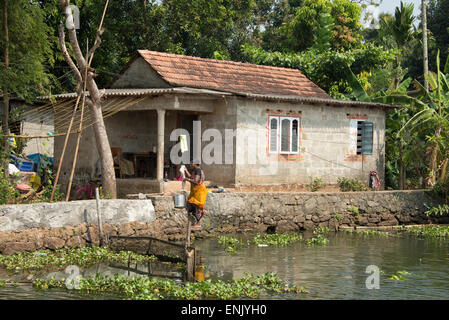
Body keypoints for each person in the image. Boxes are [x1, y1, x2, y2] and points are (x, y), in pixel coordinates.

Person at [183, 162, 207, 230]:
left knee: (194, 204)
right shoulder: (196, 170)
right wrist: (186, 171)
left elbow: (196, 181)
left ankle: (198, 223)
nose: (190, 165)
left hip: (199, 191)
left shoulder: (198, 170)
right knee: (191, 204)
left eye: (191, 164)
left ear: (195, 164)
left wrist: (187, 179)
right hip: (195, 191)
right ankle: (202, 211)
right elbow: (192, 177)